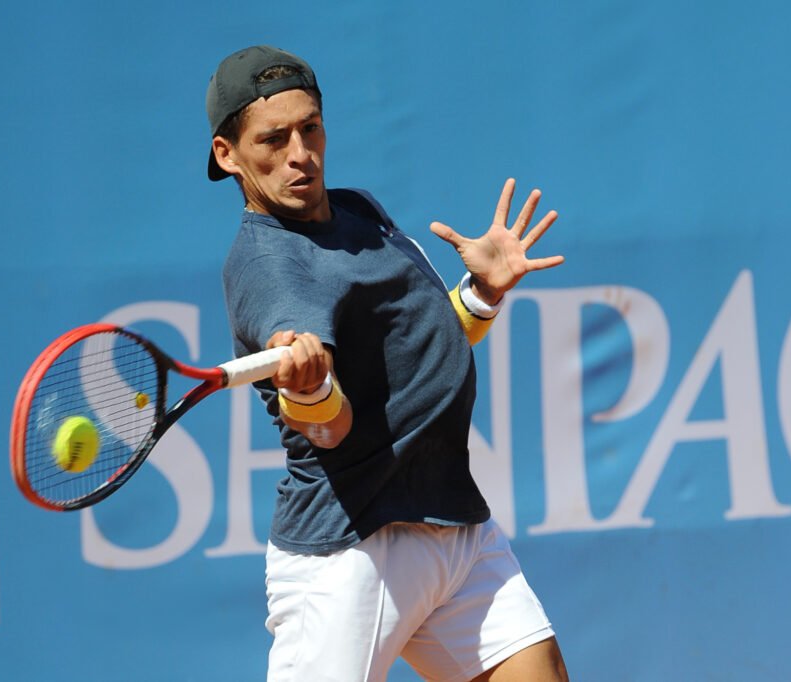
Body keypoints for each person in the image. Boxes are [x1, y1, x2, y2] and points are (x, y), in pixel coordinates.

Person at [207, 45, 569, 682]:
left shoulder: (359, 212)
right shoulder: (269, 267)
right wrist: (312, 389)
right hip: (350, 556)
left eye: (310, 128)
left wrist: (479, 296)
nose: (300, 154)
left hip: (449, 518)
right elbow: (327, 430)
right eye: (273, 139)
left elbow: (422, 347)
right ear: (227, 154)